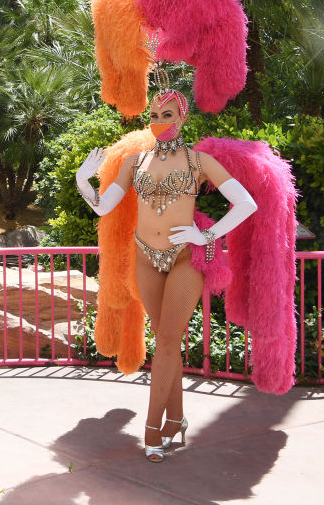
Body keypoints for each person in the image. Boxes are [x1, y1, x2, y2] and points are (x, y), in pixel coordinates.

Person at [75, 89, 257, 462]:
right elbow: (103, 207)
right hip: (144, 256)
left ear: (183, 117)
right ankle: (177, 419)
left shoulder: (198, 161)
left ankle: (152, 428)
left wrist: (205, 235)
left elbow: (246, 203)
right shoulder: (134, 162)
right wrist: (83, 181)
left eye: (168, 113)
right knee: (166, 342)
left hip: (184, 258)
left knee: (170, 337)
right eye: (155, 114)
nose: (159, 121)